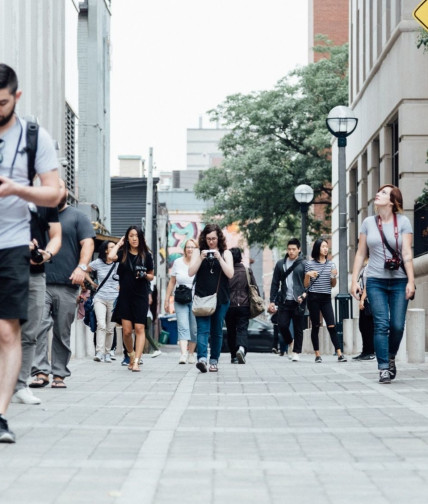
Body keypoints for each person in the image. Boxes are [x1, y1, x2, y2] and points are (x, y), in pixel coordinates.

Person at [0, 63, 60, 443]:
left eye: (1, 102)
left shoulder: (34, 136)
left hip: (11, 244)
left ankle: (0, 415)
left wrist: (16, 189)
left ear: (15, 98)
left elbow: (55, 193)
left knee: (8, 332)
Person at [30, 178, 95, 389]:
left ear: (66, 191)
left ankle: (59, 373)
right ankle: (40, 371)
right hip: (39, 281)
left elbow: (88, 243)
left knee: (61, 331)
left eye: (59, 187)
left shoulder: (78, 217)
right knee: (38, 326)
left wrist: (82, 268)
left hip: (68, 284)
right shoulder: (37, 216)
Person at [351, 185, 415, 384]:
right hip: (375, 280)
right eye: (378, 191)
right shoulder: (368, 222)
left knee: (396, 326)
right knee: (381, 324)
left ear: (393, 201)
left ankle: (390, 356)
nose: (378, 193)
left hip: (399, 280)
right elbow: (361, 253)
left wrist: (411, 281)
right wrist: (354, 280)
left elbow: (406, 253)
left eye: (384, 193)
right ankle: (383, 368)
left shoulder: (403, 222)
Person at [12, 200, 62, 405]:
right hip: (7, 269)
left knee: (31, 331)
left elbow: (56, 235)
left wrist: (46, 253)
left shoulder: (45, 201)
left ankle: (20, 387)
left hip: (35, 275)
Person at [108, 226, 154, 372]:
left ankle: (137, 362)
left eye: (137, 236)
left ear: (141, 238)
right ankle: (131, 355)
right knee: (127, 331)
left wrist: (144, 275)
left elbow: (152, 275)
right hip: (125, 296)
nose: (134, 238)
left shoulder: (147, 255)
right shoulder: (123, 254)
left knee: (139, 328)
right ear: (127, 238)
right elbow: (110, 257)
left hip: (140, 295)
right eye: (131, 236)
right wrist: (119, 243)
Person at [189, 224, 233, 373]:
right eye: (208, 239)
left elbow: (230, 274)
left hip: (221, 298)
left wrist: (220, 258)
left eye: (214, 239)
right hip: (201, 297)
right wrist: (200, 259)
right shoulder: (198, 252)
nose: (211, 242)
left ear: (219, 238)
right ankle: (202, 359)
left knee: (216, 331)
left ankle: (214, 360)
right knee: (202, 330)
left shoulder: (226, 253)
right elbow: (190, 272)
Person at [304, 238, 347, 363]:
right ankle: (317, 354)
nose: (325, 248)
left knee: (331, 325)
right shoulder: (309, 264)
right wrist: (308, 275)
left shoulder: (331, 264)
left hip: (326, 297)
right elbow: (306, 285)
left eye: (326, 246)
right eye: (323, 246)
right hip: (313, 297)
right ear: (317, 248)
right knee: (316, 325)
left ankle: (339, 353)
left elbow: (333, 284)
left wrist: (333, 276)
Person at [268, 238, 306, 362]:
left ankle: (296, 352)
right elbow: (275, 283)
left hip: (298, 300)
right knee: (282, 325)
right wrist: (272, 300)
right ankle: (291, 342)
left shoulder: (304, 264)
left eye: (294, 249)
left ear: (299, 250)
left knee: (298, 327)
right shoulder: (280, 264)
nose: (291, 252)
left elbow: (308, 284)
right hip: (284, 300)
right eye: (289, 249)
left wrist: (304, 295)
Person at [164, 239, 198, 364]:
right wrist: (167, 299)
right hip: (181, 299)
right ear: (184, 249)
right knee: (183, 326)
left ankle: (191, 354)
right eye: (188, 247)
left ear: (196, 250)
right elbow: (172, 281)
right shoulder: (178, 262)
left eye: (193, 247)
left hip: (195, 299)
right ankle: (183, 354)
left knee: (194, 329)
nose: (190, 249)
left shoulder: (199, 263)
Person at [86, 240, 119, 363]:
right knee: (101, 324)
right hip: (100, 298)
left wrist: (121, 286)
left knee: (110, 329)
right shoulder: (98, 263)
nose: (114, 248)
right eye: (111, 247)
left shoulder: (118, 264)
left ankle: (107, 353)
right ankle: (99, 352)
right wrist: (92, 283)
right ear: (106, 250)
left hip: (114, 299)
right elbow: (85, 270)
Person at [225, 247, 258, 364]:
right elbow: (254, 287)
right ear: (240, 258)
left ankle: (233, 356)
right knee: (242, 329)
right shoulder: (247, 271)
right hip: (244, 305)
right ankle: (242, 349)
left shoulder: (227, 271)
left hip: (229, 306)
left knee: (231, 330)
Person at [352, 259, 375, 361]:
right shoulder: (366, 263)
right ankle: (365, 351)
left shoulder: (373, 263)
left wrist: (362, 299)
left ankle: (370, 352)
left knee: (368, 326)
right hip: (364, 297)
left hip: (369, 298)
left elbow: (369, 282)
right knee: (363, 326)